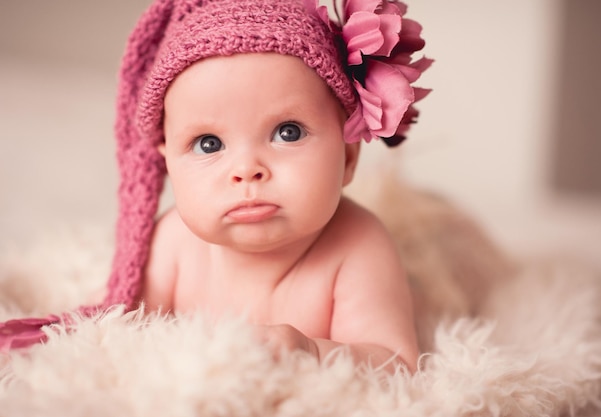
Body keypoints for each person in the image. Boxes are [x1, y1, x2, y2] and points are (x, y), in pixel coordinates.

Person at [0, 0, 431, 372]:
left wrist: (311, 352)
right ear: (166, 158)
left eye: (288, 132)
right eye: (208, 143)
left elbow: (395, 363)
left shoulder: (360, 247)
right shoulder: (172, 242)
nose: (246, 170)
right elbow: (117, 329)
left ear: (349, 157)